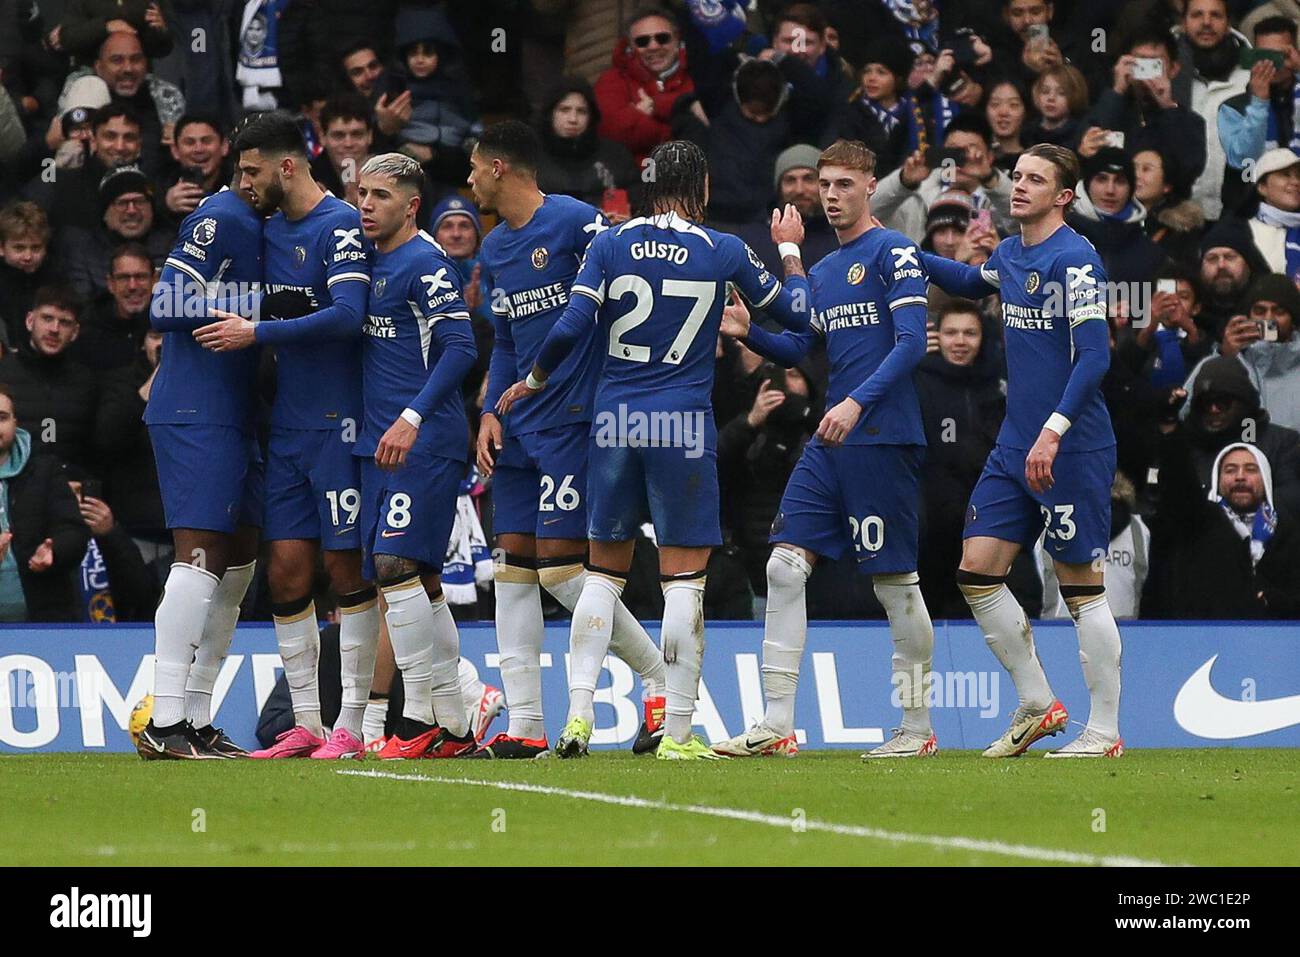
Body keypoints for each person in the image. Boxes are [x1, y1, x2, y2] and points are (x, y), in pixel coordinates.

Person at [495, 139, 812, 760]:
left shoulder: (609, 243)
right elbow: (801, 321)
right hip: (683, 424)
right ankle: (679, 733)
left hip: (614, 421)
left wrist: (532, 380)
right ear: (703, 189)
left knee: (603, 573)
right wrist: (793, 253)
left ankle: (578, 716)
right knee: (684, 580)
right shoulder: (723, 250)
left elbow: (568, 326)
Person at [709, 138, 938, 758]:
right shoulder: (828, 270)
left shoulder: (895, 253)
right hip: (833, 438)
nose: (830, 196)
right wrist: (749, 330)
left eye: (841, 185)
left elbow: (913, 343)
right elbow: (802, 347)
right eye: (824, 186)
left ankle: (916, 729)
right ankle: (777, 723)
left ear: (870, 187)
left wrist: (858, 401)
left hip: (881, 436)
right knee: (783, 567)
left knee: (894, 584)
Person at [469, 121, 667, 759]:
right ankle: (526, 726)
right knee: (514, 571)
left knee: (560, 567)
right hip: (518, 422)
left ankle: (661, 677)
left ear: (500, 168)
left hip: (574, 417)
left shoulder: (579, 223)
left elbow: (619, 302)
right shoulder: (495, 247)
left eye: (474, 169)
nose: (468, 181)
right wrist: (491, 410)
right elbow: (504, 336)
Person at [921, 143, 1124, 758]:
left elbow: (1095, 356)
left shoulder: (1077, 261)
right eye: (1017, 177)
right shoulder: (1010, 254)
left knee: (1078, 583)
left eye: (1035, 180)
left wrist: (1055, 429)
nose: (1019, 187)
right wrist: (901, 251)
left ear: (1063, 195)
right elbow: (965, 279)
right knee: (976, 568)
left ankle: (1106, 730)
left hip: (1071, 445)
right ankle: (1038, 702)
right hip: (1016, 444)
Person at [191, 111, 378, 760]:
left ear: (287, 166)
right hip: (290, 427)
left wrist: (257, 333)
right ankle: (308, 723)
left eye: (249, 171)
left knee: (344, 568)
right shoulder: (266, 229)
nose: (243, 183)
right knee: (287, 571)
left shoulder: (342, 226)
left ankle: (353, 723)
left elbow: (350, 316)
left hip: (341, 425)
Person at [350, 153, 480, 760]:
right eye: (361, 194)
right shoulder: (367, 262)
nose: (366, 206)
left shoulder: (427, 265)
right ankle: (454, 726)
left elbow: (459, 349)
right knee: (422, 582)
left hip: (424, 441)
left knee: (394, 566)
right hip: (382, 445)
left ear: (410, 206)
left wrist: (411, 415)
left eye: (379, 196)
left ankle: (418, 717)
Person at [135, 161, 265, 761]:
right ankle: (164, 722)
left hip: (239, 415)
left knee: (238, 560)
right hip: (196, 412)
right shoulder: (221, 215)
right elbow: (164, 304)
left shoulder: (267, 224)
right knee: (200, 557)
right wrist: (258, 306)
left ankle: (197, 716)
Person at [915, 300, 1007, 620]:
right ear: (936, 335)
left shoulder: (996, 385)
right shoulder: (916, 380)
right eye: (951, 332)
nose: (960, 342)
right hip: (930, 529)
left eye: (970, 333)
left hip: (986, 522)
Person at [1145, 430, 1300, 618]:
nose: (1240, 477)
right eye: (1230, 470)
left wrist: (1272, 601)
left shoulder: (1289, 531)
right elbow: (1180, 486)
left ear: (1266, 479)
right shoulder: (1201, 525)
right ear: (1217, 480)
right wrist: (1171, 430)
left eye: (1251, 469)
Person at [0, 386, 90, 622]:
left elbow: (74, 531)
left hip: (43, 622)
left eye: (2, 418)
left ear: (15, 422)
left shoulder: (45, 469)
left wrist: (55, 550)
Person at [1186, 273, 1300, 432]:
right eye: (1260, 311)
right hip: (1236, 454)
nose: (1268, 319)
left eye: (1279, 312)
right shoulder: (1220, 359)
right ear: (1248, 316)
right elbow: (1184, 411)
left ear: (1293, 319)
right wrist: (1226, 359)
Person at [0, 286, 98, 469]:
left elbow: (94, 452)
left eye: (65, 322)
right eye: (47, 318)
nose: (54, 329)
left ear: (75, 332)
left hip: (71, 490)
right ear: (30, 321)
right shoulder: (3, 375)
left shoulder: (87, 382)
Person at [594, 6, 695, 163]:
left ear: (677, 41)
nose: (653, 46)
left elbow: (710, 130)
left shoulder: (698, 76)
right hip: (634, 180)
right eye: (642, 41)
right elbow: (611, 132)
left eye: (662, 38)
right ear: (630, 47)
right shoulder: (612, 80)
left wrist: (656, 105)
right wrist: (673, 131)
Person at [58, 164, 171, 302]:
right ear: (105, 213)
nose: (132, 210)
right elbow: (81, 304)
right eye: (122, 203)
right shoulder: (83, 252)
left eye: (139, 201)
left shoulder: (174, 247)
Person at [534, 78, 639, 211]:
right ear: (550, 114)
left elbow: (638, 200)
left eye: (581, 111)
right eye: (564, 110)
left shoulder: (615, 157)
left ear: (591, 116)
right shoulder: (530, 159)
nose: (573, 119)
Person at [1067, 147, 1166, 285]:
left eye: (1120, 181)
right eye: (1101, 179)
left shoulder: (1151, 254)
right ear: (1087, 185)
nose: (1110, 190)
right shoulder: (1058, 237)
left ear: (1131, 189)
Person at [67, 243, 154, 373]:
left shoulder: (171, 327)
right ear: (110, 284)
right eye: (123, 278)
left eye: (140, 277)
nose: (132, 286)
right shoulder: (87, 332)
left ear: (155, 281)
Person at [0, 201, 56, 346]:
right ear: (1, 247)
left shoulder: (57, 283)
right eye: (19, 248)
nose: (28, 256)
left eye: (36, 248)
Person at [1245, 147, 1300, 281]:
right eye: (1285, 174)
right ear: (1262, 187)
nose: (1296, 182)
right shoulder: (1245, 233)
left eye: (1299, 176)